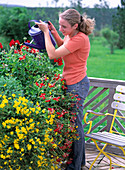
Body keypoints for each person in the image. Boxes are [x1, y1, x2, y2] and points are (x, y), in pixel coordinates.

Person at [35, 9, 95, 170]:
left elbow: (53, 54)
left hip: (77, 85)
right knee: (73, 125)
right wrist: (55, 33)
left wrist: (46, 33)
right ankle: (78, 163)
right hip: (71, 83)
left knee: (76, 126)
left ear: (75, 25)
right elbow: (64, 47)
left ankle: (75, 166)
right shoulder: (72, 35)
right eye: (59, 26)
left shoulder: (81, 39)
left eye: (64, 27)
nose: (61, 29)